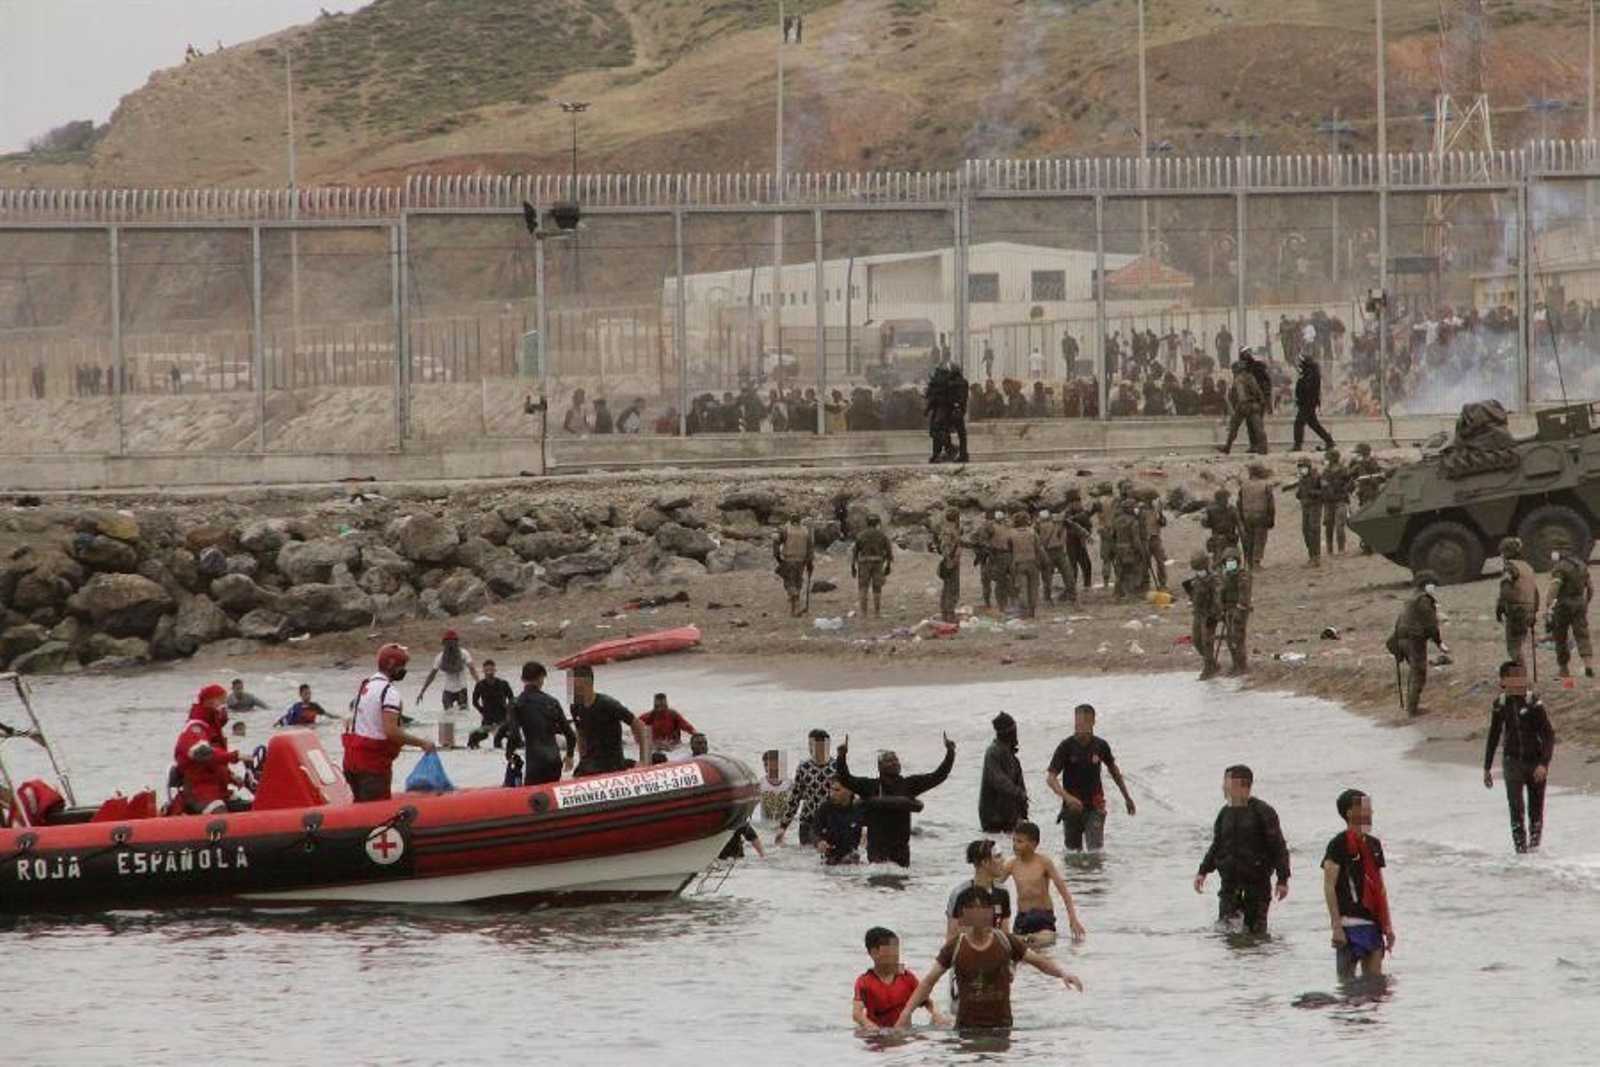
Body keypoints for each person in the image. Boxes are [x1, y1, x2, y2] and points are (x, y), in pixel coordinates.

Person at [895, 887, 1083, 1030]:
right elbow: (928, 982)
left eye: (982, 910)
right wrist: (906, 1013)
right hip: (966, 1030)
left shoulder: (1005, 941)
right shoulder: (955, 946)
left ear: (991, 913)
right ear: (963, 916)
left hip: (1002, 1028)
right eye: (972, 910)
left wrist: (1063, 973)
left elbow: (1038, 961)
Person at [834, 732, 956, 867]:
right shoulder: (869, 786)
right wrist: (841, 756)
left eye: (896, 760)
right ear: (880, 767)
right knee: (878, 884)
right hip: (877, 849)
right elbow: (845, 778)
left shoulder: (910, 785)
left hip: (901, 850)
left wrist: (950, 753)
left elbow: (938, 776)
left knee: (899, 882)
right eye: (890, 761)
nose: (895, 763)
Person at [1193, 765, 1290, 935]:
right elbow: (1217, 844)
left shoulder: (1262, 811)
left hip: (1257, 885)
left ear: (1242, 784)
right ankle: (1237, 963)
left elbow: (1278, 846)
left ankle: (1253, 961)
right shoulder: (1224, 813)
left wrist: (1283, 879)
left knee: (1256, 936)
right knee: (1227, 933)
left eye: (1226, 782)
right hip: (1229, 886)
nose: (1223, 787)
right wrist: (1203, 871)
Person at [341, 644, 436, 802]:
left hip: (352, 764)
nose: (404, 670)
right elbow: (391, 731)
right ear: (392, 665)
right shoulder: (389, 692)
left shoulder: (366, 686)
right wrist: (422, 743)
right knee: (375, 816)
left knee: (361, 806)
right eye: (402, 666)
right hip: (372, 767)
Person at [1484, 660, 1556, 853]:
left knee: (1536, 809)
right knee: (1516, 808)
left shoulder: (1533, 701)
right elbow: (1493, 735)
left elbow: (1549, 734)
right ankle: (1520, 853)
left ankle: (1534, 848)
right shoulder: (1500, 704)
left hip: (1535, 763)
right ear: (1503, 682)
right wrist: (1487, 768)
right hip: (1512, 762)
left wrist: (1544, 763)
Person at [1322, 789, 1394, 979]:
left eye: (1370, 808)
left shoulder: (1374, 844)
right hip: (1348, 925)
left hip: (1372, 923)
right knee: (1346, 987)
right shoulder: (1338, 844)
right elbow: (1329, 887)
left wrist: (1388, 926)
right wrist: (1336, 928)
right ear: (1349, 813)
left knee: (1375, 986)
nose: (1370, 812)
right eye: (1365, 808)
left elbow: (1380, 887)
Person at [1046, 703, 1136, 852]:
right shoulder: (1066, 746)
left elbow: (1114, 771)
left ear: (1093, 722)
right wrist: (1068, 798)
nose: (1079, 726)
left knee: (1096, 852)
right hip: (1072, 809)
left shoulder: (1100, 745)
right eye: (1077, 722)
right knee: (1073, 854)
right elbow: (1051, 779)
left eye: (1084, 722)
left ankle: (1095, 876)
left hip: (1095, 806)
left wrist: (1127, 797)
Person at [1006, 821, 1087, 945]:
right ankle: (1027, 940)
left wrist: (1073, 919)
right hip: (1022, 917)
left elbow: (1064, 893)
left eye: (1020, 841)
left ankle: (1032, 939)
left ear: (1033, 844)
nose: (1015, 845)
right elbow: (992, 884)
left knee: (1047, 939)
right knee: (1016, 945)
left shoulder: (1044, 863)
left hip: (1043, 917)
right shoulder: (1012, 865)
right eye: (1014, 840)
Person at [173, 684, 249, 814]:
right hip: (199, 790)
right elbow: (204, 754)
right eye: (221, 700)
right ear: (209, 701)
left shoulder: (212, 728)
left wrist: (232, 777)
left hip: (218, 788)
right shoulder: (195, 729)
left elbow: (216, 765)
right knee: (219, 812)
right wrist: (235, 756)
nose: (225, 704)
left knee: (246, 807)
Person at [854, 928, 949, 1030]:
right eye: (891, 951)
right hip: (878, 1037)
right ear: (874, 953)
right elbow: (857, 1014)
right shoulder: (864, 981)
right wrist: (869, 1025)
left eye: (897, 950)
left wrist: (936, 1013)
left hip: (904, 1036)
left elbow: (927, 1002)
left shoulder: (906, 976)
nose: (896, 955)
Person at [569, 664, 647, 777]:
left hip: (612, 764)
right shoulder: (575, 707)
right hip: (589, 764)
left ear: (586, 682)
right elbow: (581, 736)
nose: (570, 687)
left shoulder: (608, 704)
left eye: (573, 682)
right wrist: (582, 762)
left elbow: (640, 725)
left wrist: (644, 761)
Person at [505, 661, 575, 785]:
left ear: (522, 679)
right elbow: (570, 734)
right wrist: (569, 756)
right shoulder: (553, 702)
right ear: (541, 679)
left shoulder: (516, 704)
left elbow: (515, 736)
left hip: (535, 762)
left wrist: (509, 754)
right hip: (555, 760)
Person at [1388, 571, 1446, 717]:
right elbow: (1431, 625)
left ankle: (1410, 707)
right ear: (1425, 585)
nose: (1434, 587)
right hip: (1414, 640)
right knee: (1419, 673)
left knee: (1414, 672)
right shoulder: (1424, 600)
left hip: (1402, 638)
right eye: (1432, 584)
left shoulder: (1411, 597)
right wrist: (1440, 643)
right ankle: (1413, 710)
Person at [1546, 532, 1595, 679]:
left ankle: (1564, 669)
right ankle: (1588, 665)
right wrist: (1586, 603)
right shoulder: (1581, 565)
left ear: (1557, 551)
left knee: (1560, 638)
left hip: (1563, 605)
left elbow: (1554, 588)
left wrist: (1548, 606)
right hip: (1579, 603)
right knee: (1582, 635)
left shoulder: (1560, 567)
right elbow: (1591, 588)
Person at [777, 728, 835, 845]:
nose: (811, 748)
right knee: (806, 858)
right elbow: (795, 798)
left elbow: (848, 797)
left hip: (831, 822)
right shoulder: (803, 767)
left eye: (814, 745)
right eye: (810, 744)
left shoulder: (837, 767)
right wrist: (783, 827)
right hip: (808, 823)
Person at [946, 840, 1014, 938]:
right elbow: (951, 937)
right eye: (998, 856)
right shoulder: (961, 894)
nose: (1004, 860)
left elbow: (1005, 935)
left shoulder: (1003, 893)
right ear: (985, 862)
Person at [978, 712, 1027, 833]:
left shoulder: (1011, 756)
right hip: (993, 818)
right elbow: (999, 780)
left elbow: (1019, 783)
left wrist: (1023, 811)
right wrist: (1019, 793)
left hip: (1010, 818)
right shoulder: (993, 752)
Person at [1496, 537, 1540, 667]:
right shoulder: (1528, 567)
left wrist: (1500, 607)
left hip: (1516, 610)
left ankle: (1519, 680)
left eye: (1502, 552)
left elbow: (1506, 589)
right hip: (1529, 609)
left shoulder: (1510, 568)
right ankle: (1521, 677)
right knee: (1520, 643)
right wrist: (1534, 611)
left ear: (1506, 552)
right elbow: (1535, 592)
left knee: (1513, 646)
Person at [416, 629, 479, 715]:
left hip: (461, 689)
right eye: (448, 642)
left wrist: (480, 684)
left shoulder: (464, 653)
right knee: (447, 716)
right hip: (448, 690)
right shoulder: (440, 657)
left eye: (452, 641)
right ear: (444, 643)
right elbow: (432, 675)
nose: (451, 644)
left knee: (464, 715)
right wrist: (422, 691)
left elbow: (472, 670)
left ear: (456, 642)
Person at [1218, 354, 1266, 455]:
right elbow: (1258, 392)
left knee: (1234, 428)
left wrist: (1242, 404)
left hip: (1244, 405)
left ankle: (1227, 447)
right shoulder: (1250, 377)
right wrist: (1260, 403)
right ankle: (1263, 448)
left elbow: (1241, 394)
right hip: (1252, 405)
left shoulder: (1239, 379)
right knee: (1258, 428)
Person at [810, 777, 865, 864]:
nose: (832, 794)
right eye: (831, 790)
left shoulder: (859, 808)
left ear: (849, 791)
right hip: (830, 859)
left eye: (837, 790)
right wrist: (819, 842)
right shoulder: (825, 808)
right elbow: (814, 830)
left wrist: (867, 831)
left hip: (853, 858)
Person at [1185, 551, 1221, 680]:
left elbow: (1218, 597)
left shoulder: (1214, 579)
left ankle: (1208, 668)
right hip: (1198, 614)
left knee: (1207, 641)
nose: (1198, 571)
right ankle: (1212, 663)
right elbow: (1194, 596)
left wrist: (1216, 613)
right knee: (1196, 641)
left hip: (1209, 614)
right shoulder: (1196, 581)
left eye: (1200, 568)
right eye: (1196, 569)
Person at [1005, 511, 1046, 618]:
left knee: (1022, 588)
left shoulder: (1011, 534)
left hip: (1018, 564)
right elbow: (1039, 548)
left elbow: (1009, 550)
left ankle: (1024, 610)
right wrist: (1044, 562)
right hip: (1033, 563)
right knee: (1033, 588)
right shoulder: (1032, 532)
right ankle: (1032, 610)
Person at [773, 511, 815, 617]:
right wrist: (810, 563)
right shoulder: (805, 531)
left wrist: (777, 557)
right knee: (797, 582)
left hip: (789, 560)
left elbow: (775, 540)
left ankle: (795, 599)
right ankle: (795, 609)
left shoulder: (785, 529)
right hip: (801, 561)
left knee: (789, 583)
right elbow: (810, 548)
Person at [852, 513, 894, 618]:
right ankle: (877, 613)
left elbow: (855, 552)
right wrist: (888, 565)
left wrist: (852, 566)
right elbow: (889, 552)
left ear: (867, 523)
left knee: (863, 588)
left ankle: (863, 613)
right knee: (877, 589)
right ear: (877, 523)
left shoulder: (861, 535)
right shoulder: (882, 535)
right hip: (878, 563)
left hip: (864, 563)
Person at [1218, 547, 1252, 675]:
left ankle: (1242, 666)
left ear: (1237, 561)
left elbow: (1244, 596)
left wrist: (1239, 609)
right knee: (1229, 639)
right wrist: (1222, 608)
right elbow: (1222, 594)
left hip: (1240, 610)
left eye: (1232, 560)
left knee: (1237, 638)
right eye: (1227, 561)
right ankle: (1235, 665)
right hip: (1229, 609)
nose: (1229, 563)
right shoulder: (1227, 576)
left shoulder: (1243, 576)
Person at [468, 659, 514, 750]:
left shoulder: (503, 684)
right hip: (488, 716)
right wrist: (482, 711)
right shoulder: (480, 685)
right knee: (481, 734)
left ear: (495, 670)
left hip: (502, 714)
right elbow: (474, 701)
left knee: (508, 733)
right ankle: (473, 740)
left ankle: (500, 741)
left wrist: (508, 710)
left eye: (491, 670)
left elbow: (511, 699)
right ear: (483, 671)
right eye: (486, 670)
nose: (489, 673)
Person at [1292, 354, 1335, 451]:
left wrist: (1301, 378)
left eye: (1301, 362)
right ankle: (1329, 441)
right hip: (1307, 403)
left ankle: (1297, 445)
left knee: (1299, 423)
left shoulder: (1311, 374)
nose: (1299, 364)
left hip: (1308, 403)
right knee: (1314, 424)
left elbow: (1307, 388)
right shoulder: (1309, 373)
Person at [1238, 463, 1276, 569]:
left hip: (1247, 516)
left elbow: (1239, 503)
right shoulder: (1265, 486)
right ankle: (1256, 562)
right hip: (1261, 516)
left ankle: (1249, 562)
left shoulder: (1243, 485)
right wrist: (1271, 519)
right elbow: (1271, 505)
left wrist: (1241, 517)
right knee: (1260, 539)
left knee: (1249, 539)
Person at [1109, 497, 1148, 599]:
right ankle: (1128, 593)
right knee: (1130, 571)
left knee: (1120, 571)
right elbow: (1135, 539)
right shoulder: (1133, 522)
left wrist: (1113, 549)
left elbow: (1112, 535)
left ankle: (1117, 593)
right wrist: (1139, 550)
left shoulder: (1116, 520)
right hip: (1129, 549)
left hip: (1118, 547)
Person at [1290, 458, 1325, 568]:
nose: (1302, 469)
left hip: (1315, 507)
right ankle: (1311, 555)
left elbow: (1325, 492)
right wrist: (1299, 494)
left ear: (1309, 467)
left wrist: (1313, 493)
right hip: (1305, 507)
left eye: (1303, 467)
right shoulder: (1302, 479)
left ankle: (1316, 557)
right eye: (1300, 467)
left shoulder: (1317, 477)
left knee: (1313, 531)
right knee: (1305, 531)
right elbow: (1300, 492)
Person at [978, 510, 1013, 612]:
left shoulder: (1005, 526)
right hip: (994, 556)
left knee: (1000, 581)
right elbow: (983, 542)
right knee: (998, 581)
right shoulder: (993, 527)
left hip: (999, 556)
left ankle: (1000, 604)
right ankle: (995, 604)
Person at [1321, 449, 1353, 555]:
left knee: (1339, 526)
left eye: (1327, 458)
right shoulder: (1325, 472)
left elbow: (1351, 484)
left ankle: (1341, 549)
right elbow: (1322, 485)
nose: (1326, 460)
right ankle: (1329, 550)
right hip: (1328, 502)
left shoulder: (1344, 471)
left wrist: (1345, 490)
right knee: (1329, 526)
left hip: (1340, 501)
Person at [1201, 488, 1241, 567]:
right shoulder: (1232, 510)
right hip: (1230, 541)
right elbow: (1239, 525)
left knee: (1217, 564)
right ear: (1223, 499)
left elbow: (1205, 524)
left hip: (1216, 540)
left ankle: (1218, 571)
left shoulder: (1210, 510)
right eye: (1227, 498)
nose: (1228, 500)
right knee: (1231, 566)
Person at [936, 507, 963, 622]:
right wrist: (949, 560)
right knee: (952, 588)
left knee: (948, 587)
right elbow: (945, 546)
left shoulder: (950, 529)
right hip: (951, 561)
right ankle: (948, 614)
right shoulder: (949, 530)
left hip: (952, 560)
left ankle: (946, 612)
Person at [759, 750, 792, 824]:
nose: (767, 768)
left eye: (770, 765)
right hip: (765, 823)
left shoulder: (789, 783)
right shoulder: (761, 783)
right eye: (765, 765)